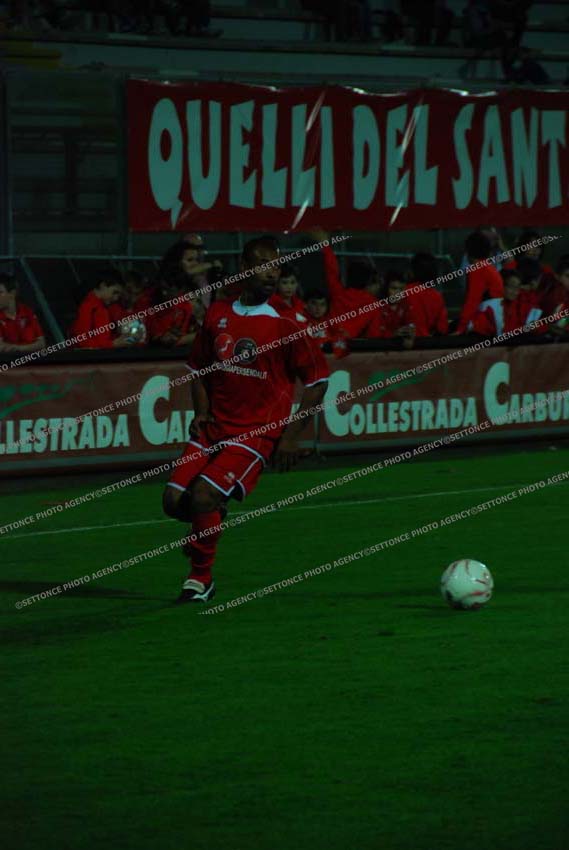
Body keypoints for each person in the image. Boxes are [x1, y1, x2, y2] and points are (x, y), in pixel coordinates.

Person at [162, 235, 329, 603]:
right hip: (214, 428)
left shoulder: (287, 322)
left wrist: (289, 437)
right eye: (263, 265)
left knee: (202, 496)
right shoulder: (218, 313)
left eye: (276, 266)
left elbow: (318, 382)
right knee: (173, 502)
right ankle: (208, 524)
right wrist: (201, 411)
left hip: (255, 434)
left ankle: (200, 579)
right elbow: (198, 367)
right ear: (243, 268)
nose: (272, 273)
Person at [454, 231, 504, 334]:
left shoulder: (477, 269)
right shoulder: (488, 267)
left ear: (468, 252)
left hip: (490, 320)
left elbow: (472, 301)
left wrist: (460, 329)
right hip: (496, 317)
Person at [469, 269, 543, 337]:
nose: (515, 292)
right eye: (511, 286)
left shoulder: (518, 305)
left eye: (517, 287)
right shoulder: (489, 307)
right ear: (501, 285)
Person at [70, 268, 131, 349]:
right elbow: (82, 341)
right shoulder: (89, 307)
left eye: (118, 295)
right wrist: (113, 344)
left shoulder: (100, 307)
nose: (116, 298)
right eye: (115, 292)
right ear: (103, 286)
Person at [367, 270, 417, 349]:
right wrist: (393, 334)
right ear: (386, 289)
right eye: (394, 288)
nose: (398, 293)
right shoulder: (377, 307)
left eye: (401, 289)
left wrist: (410, 333)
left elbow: (410, 325)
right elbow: (374, 334)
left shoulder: (406, 306)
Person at [148, 269, 195, 347]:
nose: (163, 293)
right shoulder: (149, 297)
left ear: (180, 290)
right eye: (162, 288)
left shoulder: (184, 308)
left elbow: (174, 338)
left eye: (168, 290)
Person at [0, 272, 45, 353]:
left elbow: (41, 343)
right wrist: (29, 346)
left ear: (12, 293)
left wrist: (18, 348)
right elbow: (1, 347)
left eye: (0, 292)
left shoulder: (27, 312)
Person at [406, 253, 448, 337]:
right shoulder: (437, 296)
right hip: (427, 341)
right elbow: (442, 328)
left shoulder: (405, 291)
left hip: (406, 341)